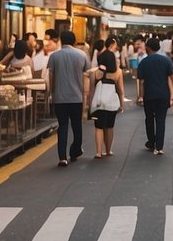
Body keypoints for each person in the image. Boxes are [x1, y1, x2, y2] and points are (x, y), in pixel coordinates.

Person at [46, 30, 88, 166]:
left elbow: (50, 76)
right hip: (76, 97)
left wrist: (51, 92)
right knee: (77, 125)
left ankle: (62, 158)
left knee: (62, 126)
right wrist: (86, 95)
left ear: (61, 41)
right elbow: (86, 74)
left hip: (60, 97)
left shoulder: (54, 56)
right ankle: (75, 150)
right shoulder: (81, 55)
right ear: (74, 41)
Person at [137, 37, 173, 155]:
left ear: (147, 48)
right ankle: (159, 147)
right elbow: (171, 78)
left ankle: (151, 141)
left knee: (149, 119)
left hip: (149, 94)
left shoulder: (144, 62)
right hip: (163, 94)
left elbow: (141, 81)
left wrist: (140, 96)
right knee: (161, 120)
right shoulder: (166, 61)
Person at [89, 45, 125, 158]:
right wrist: (122, 105)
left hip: (99, 103)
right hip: (112, 103)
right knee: (110, 126)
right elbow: (120, 90)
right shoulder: (118, 72)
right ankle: (108, 150)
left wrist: (89, 105)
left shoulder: (95, 73)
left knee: (99, 127)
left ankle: (98, 152)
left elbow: (91, 91)